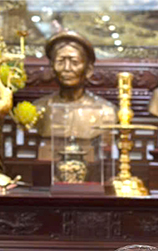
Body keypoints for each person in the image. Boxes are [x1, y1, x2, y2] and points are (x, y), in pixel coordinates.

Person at [34, 30, 117, 158]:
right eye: (60, 61)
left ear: (88, 70)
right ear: (52, 68)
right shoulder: (39, 109)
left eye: (74, 62)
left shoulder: (106, 112)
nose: (67, 68)